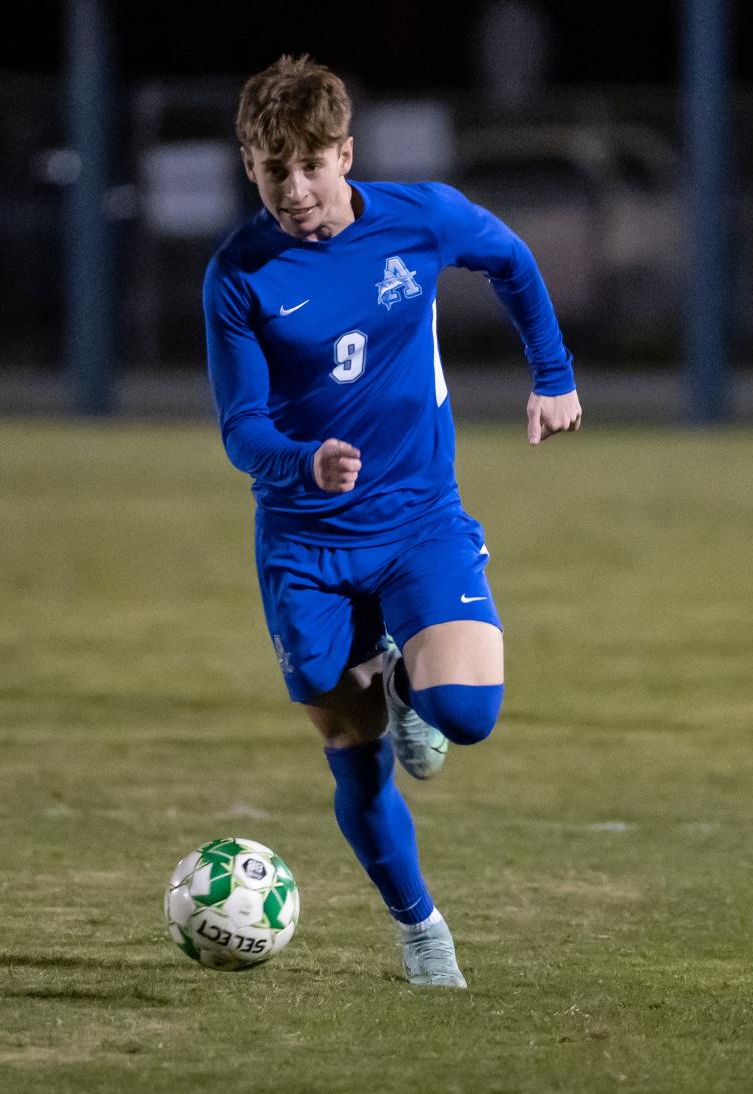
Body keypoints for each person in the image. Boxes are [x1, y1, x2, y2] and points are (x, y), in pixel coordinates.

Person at [202, 55, 581, 988]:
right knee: (355, 756)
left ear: (345, 153)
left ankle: (419, 688)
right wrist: (305, 462)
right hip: (305, 545)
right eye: (268, 168)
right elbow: (242, 429)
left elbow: (511, 259)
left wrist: (555, 375)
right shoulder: (239, 274)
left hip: (418, 518)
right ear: (249, 166)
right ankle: (422, 932)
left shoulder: (419, 217)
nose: (292, 190)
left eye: (308, 166)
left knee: (467, 714)